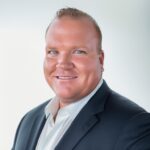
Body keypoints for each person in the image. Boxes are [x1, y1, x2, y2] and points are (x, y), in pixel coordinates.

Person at [12, 7, 150, 150]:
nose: (63, 64)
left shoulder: (135, 126)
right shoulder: (28, 121)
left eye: (78, 52)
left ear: (101, 60)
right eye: (53, 52)